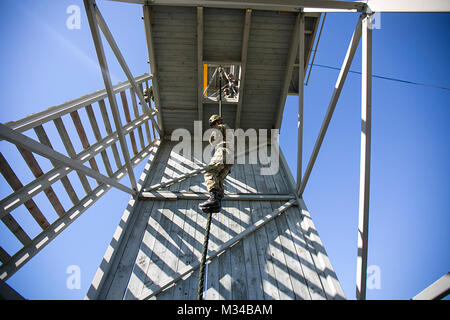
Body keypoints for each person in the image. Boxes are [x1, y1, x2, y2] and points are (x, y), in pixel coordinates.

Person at [198, 114, 234, 213]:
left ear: (217, 122)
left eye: (213, 124)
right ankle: (218, 203)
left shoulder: (219, 128)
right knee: (219, 179)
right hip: (230, 157)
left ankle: (213, 199)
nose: (213, 126)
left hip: (222, 151)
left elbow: (213, 139)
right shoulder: (228, 131)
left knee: (210, 172)